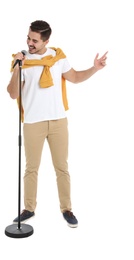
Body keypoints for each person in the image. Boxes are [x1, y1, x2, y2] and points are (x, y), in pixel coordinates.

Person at [7, 20, 108, 228]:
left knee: (62, 167)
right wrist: (17, 67)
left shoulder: (58, 58)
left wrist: (95, 68)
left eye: (34, 40)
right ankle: (29, 208)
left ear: (46, 40)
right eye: (28, 37)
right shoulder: (23, 61)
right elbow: (12, 93)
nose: (29, 42)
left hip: (58, 121)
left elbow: (76, 77)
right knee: (31, 169)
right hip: (33, 122)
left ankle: (67, 209)